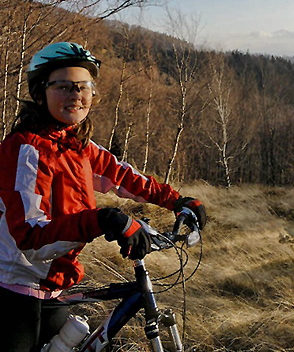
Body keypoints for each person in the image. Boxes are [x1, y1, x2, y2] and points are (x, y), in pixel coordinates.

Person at [0, 42, 207, 352]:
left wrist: (176, 200)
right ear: (41, 92)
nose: (76, 94)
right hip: (14, 291)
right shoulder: (25, 149)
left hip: (53, 288)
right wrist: (103, 219)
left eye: (84, 86)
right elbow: (29, 234)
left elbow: (124, 176)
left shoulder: (78, 145)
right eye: (64, 86)